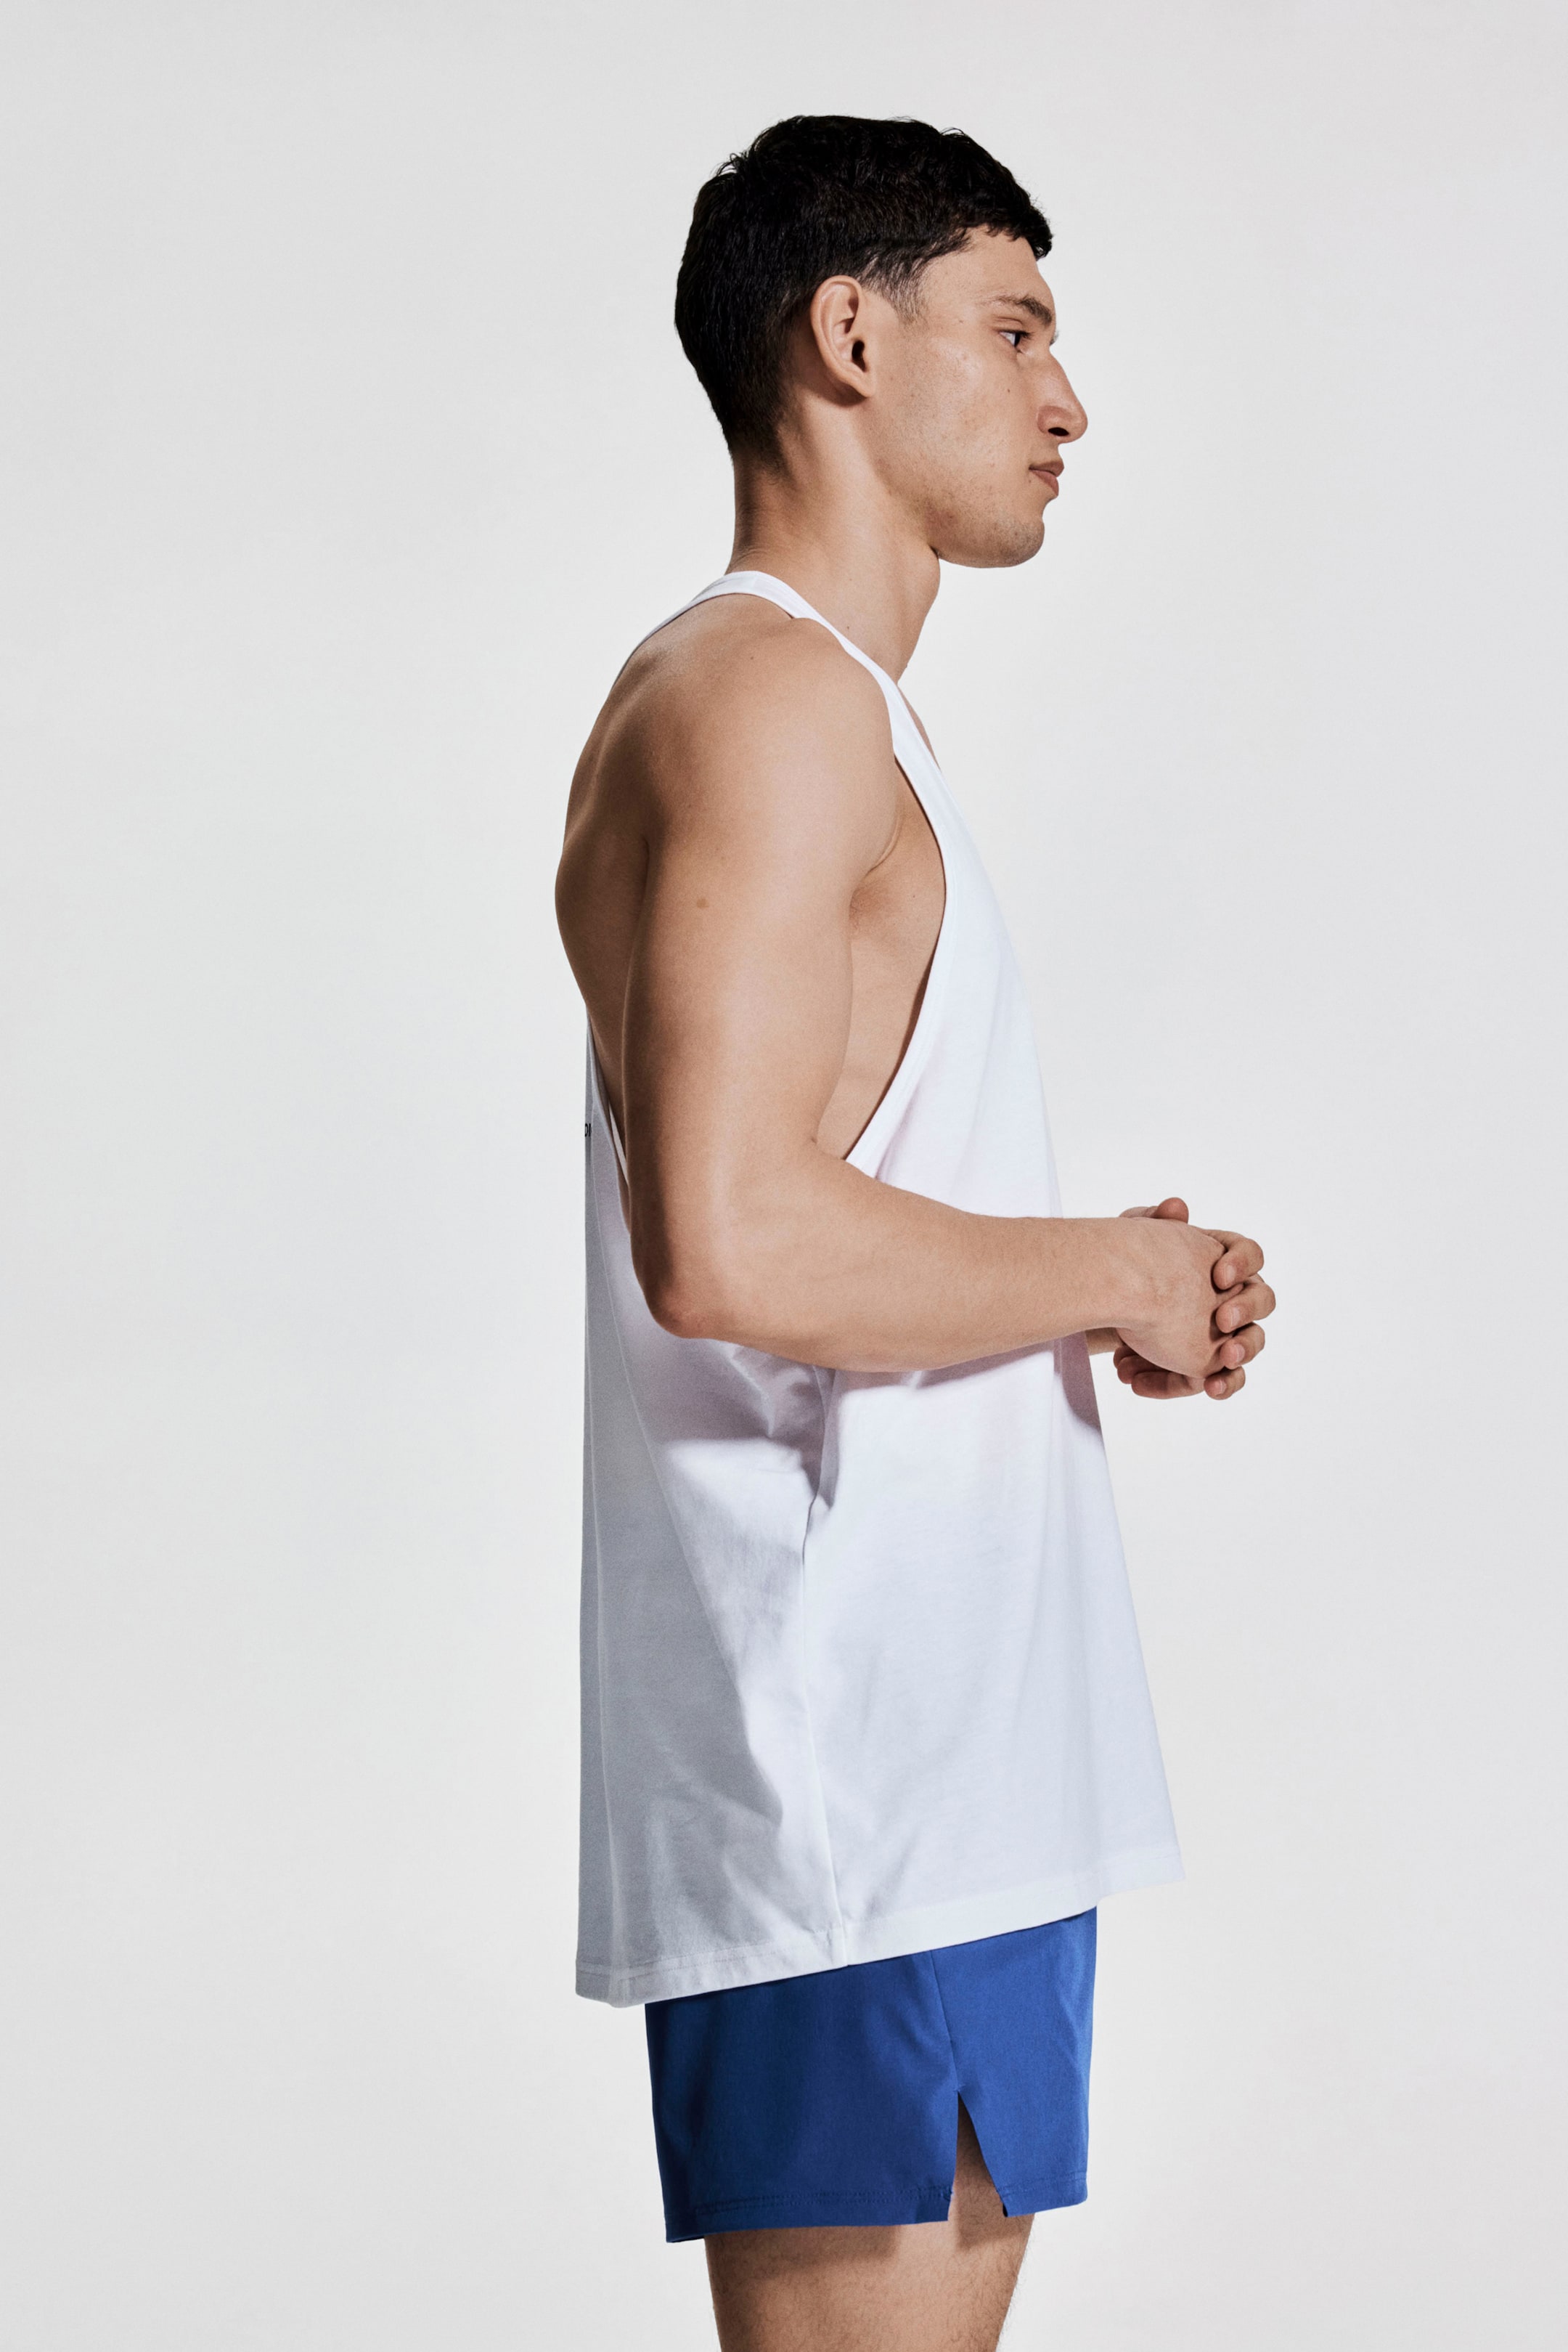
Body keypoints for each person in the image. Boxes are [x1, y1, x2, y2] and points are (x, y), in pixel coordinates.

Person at [555, 114, 1275, 2352]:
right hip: (858, 1780)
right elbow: (728, 1241)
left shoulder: (823, 710)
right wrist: (1111, 1276)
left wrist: (1081, 1277)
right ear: (850, 337)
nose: (1071, 400)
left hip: (924, 1768)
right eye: (1019, 328)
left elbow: (803, 1200)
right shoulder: (769, 699)